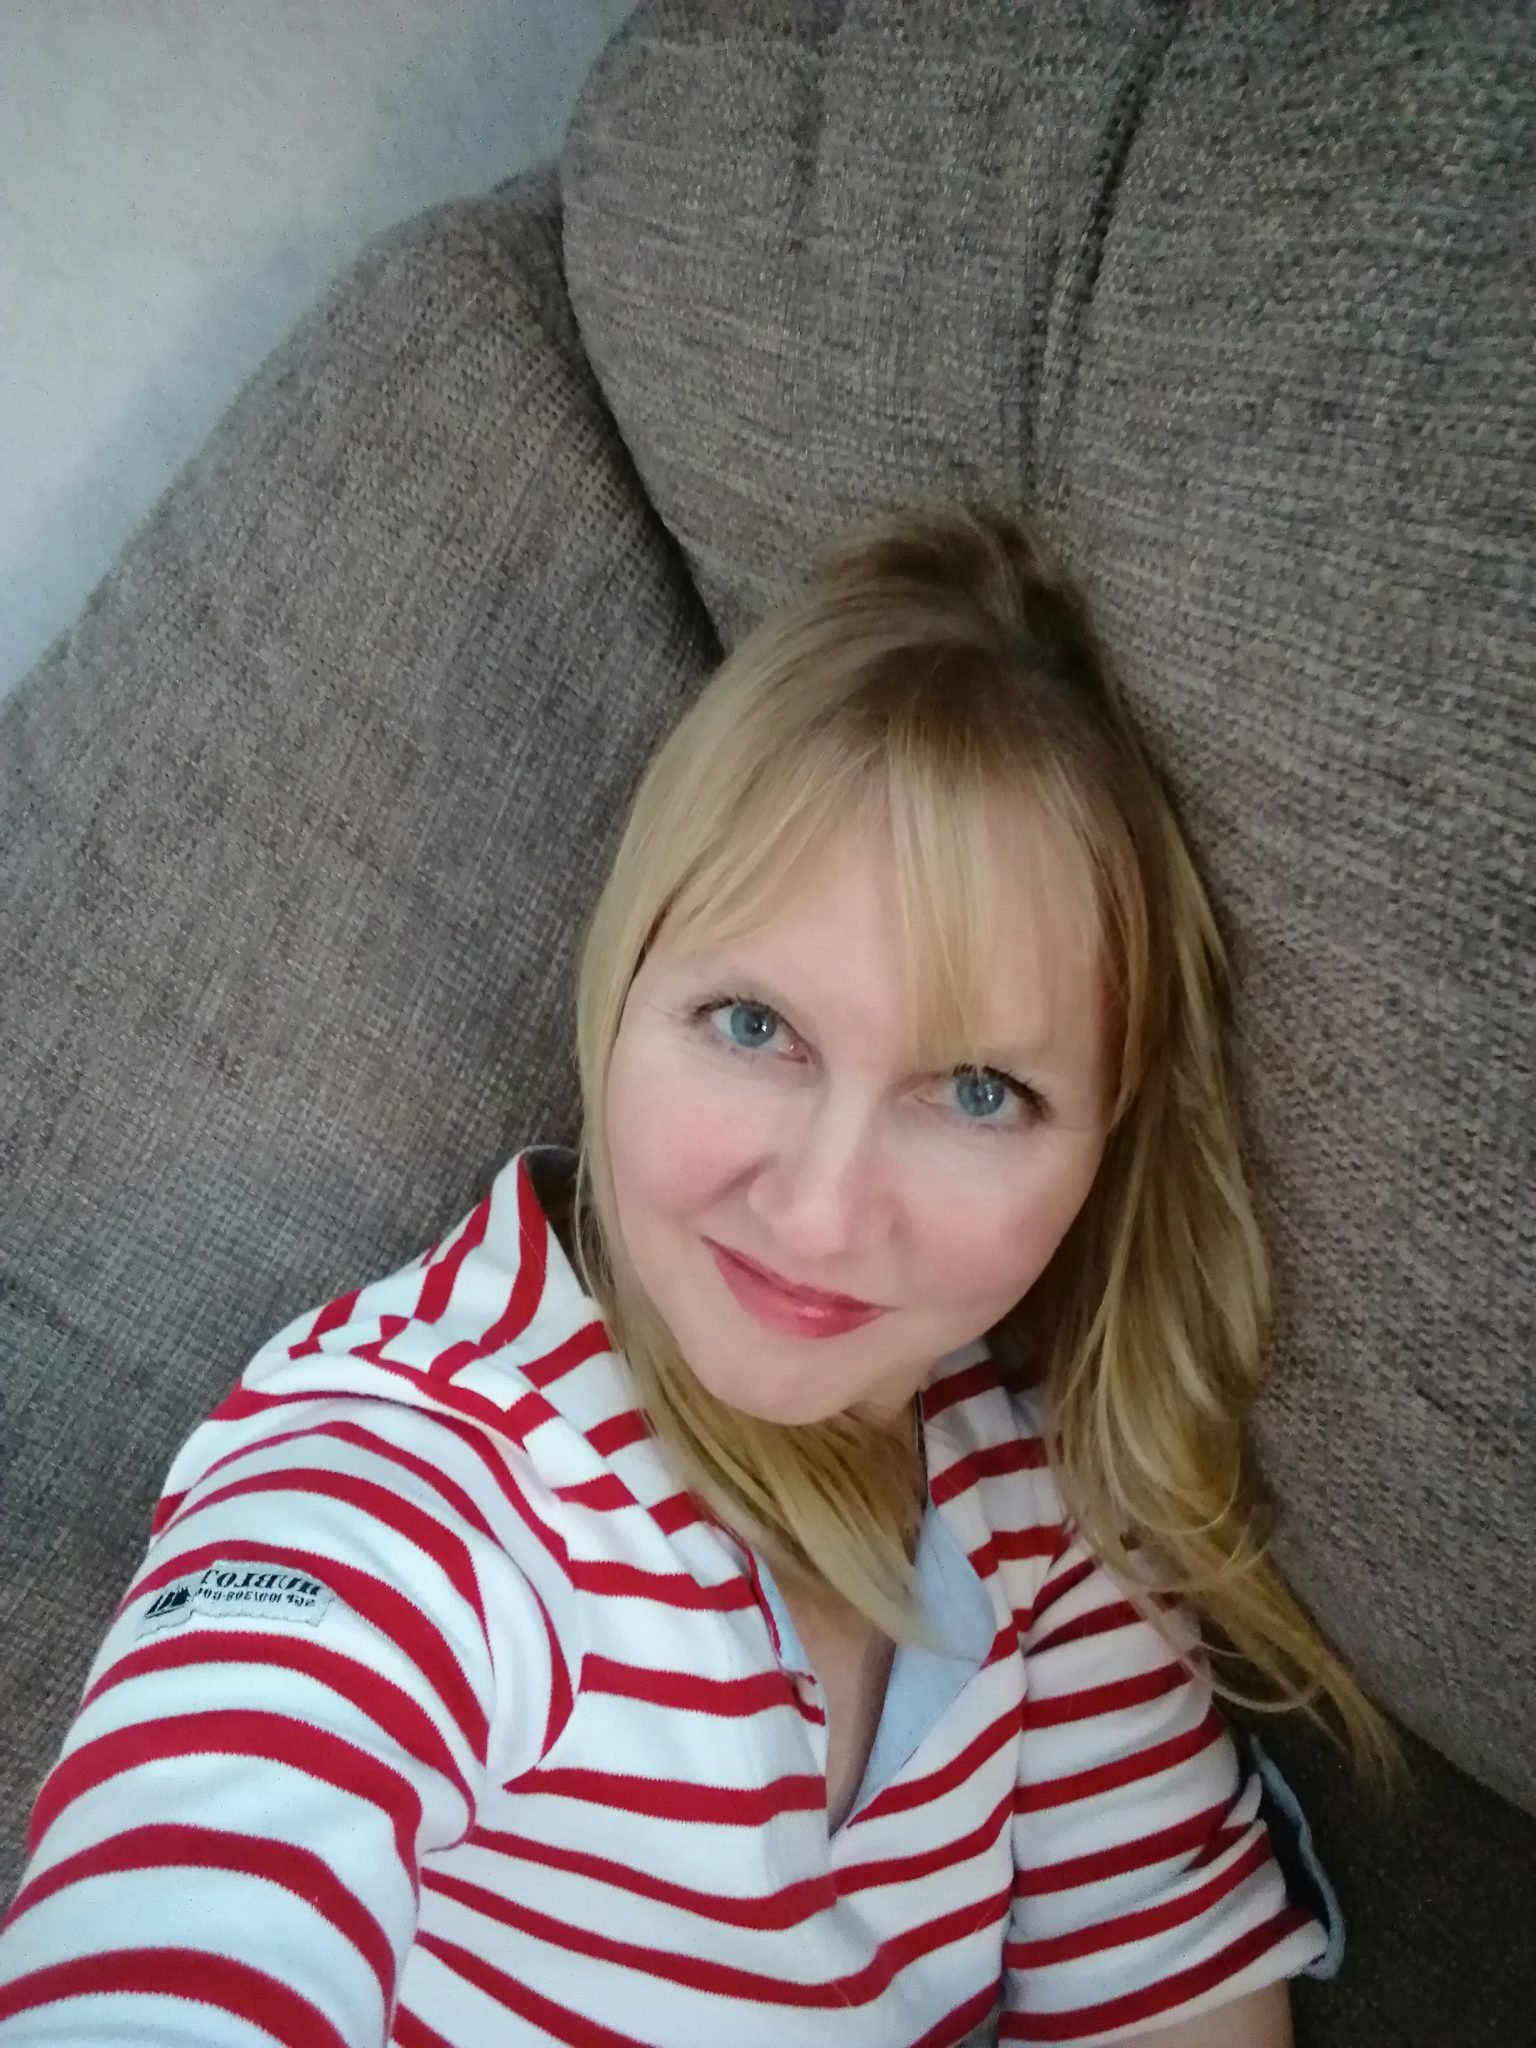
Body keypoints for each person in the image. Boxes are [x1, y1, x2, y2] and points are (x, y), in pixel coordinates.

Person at [0, 506, 1387, 2047]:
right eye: (752, 1025)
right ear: (623, 981)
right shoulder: (419, 1464)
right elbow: (191, 1882)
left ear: (1107, 1141)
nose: (820, 1213)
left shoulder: (1051, 1524)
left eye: (979, 1089)